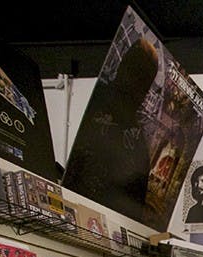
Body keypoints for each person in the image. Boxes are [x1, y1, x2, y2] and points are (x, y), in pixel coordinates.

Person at [63, 37, 159, 225]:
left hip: (106, 227)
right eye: (136, 74)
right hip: (80, 216)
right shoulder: (97, 103)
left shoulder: (138, 140)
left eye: (143, 81)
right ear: (123, 68)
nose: (138, 87)